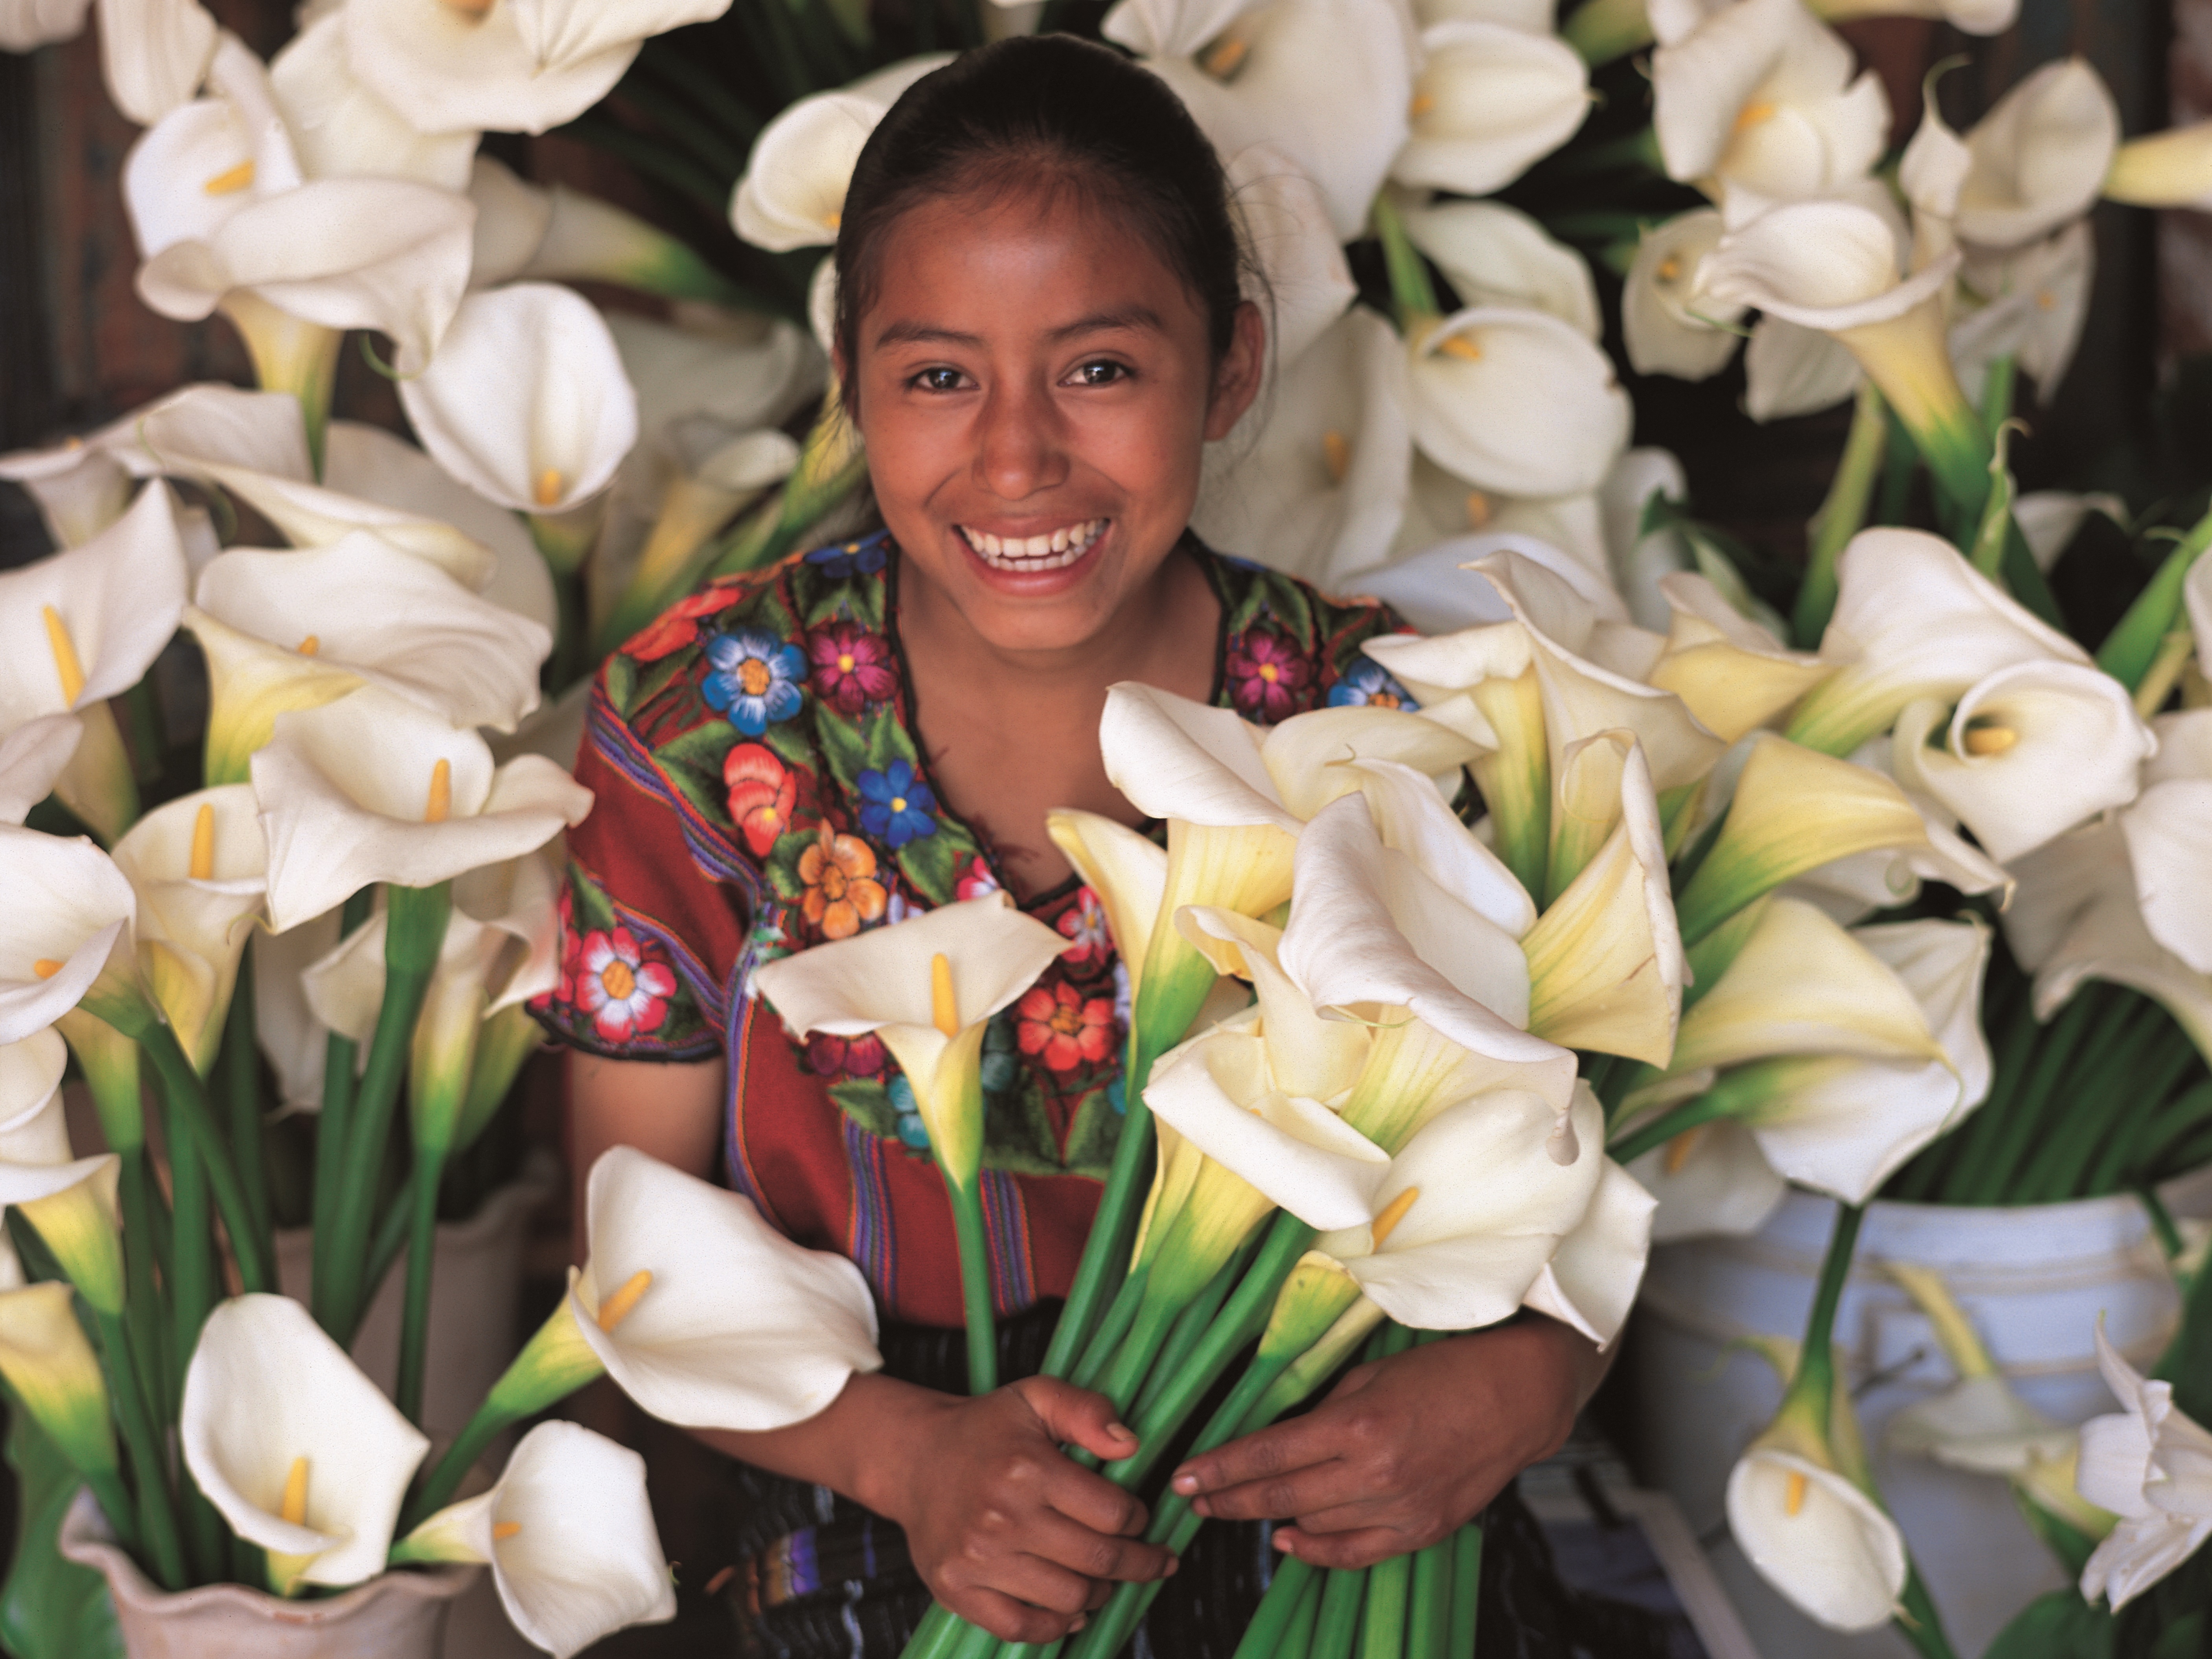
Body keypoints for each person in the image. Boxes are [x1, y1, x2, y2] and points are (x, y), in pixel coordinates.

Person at [536, 33, 1628, 1658]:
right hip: (868, 1484)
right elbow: (628, 1245)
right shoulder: (702, 732)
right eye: (937, 375)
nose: (1018, 456)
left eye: (1101, 368)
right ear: (850, 378)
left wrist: (1520, 1383)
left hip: (1311, 1499)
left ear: (1232, 367)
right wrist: (906, 1451)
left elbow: (1542, 1176)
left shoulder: (1382, 720)